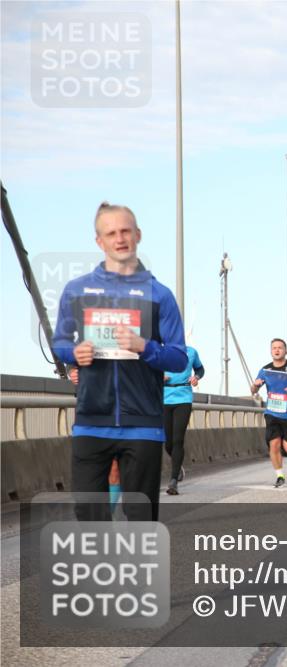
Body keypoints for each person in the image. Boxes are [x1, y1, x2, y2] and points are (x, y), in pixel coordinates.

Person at [52, 202, 187, 521]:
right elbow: (59, 341)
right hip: (91, 422)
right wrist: (73, 353)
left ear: (138, 234)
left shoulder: (159, 294)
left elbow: (179, 358)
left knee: (140, 519)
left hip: (143, 425)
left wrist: (145, 346)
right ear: (99, 241)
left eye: (126, 230)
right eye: (111, 233)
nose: (120, 238)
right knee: (89, 515)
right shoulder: (76, 291)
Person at [252, 339, 287, 488]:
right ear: (271, 351)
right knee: (274, 445)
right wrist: (255, 385)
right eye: (274, 348)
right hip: (272, 413)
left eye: (280, 348)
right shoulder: (265, 370)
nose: (277, 350)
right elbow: (253, 390)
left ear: (285, 351)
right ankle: (280, 476)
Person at [163, 344, 205, 495]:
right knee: (167, 442)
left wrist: (196, 377)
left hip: (184, 397)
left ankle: (173, 481)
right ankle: (178, 465)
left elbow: (200, 369)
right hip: (164, 398)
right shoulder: (161, 350)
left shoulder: (192, 351)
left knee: (178, 439)